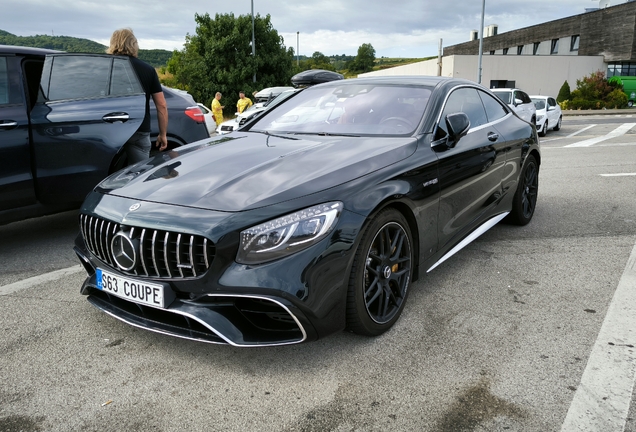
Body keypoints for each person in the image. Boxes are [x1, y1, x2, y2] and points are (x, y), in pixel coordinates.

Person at [107, 28, 168, 164]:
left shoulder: (104, 68)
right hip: (138, 128)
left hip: (109, 128)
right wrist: (162, 134)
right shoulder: (148, 70)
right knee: (139, 173)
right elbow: (162, 105)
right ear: (134, 44)